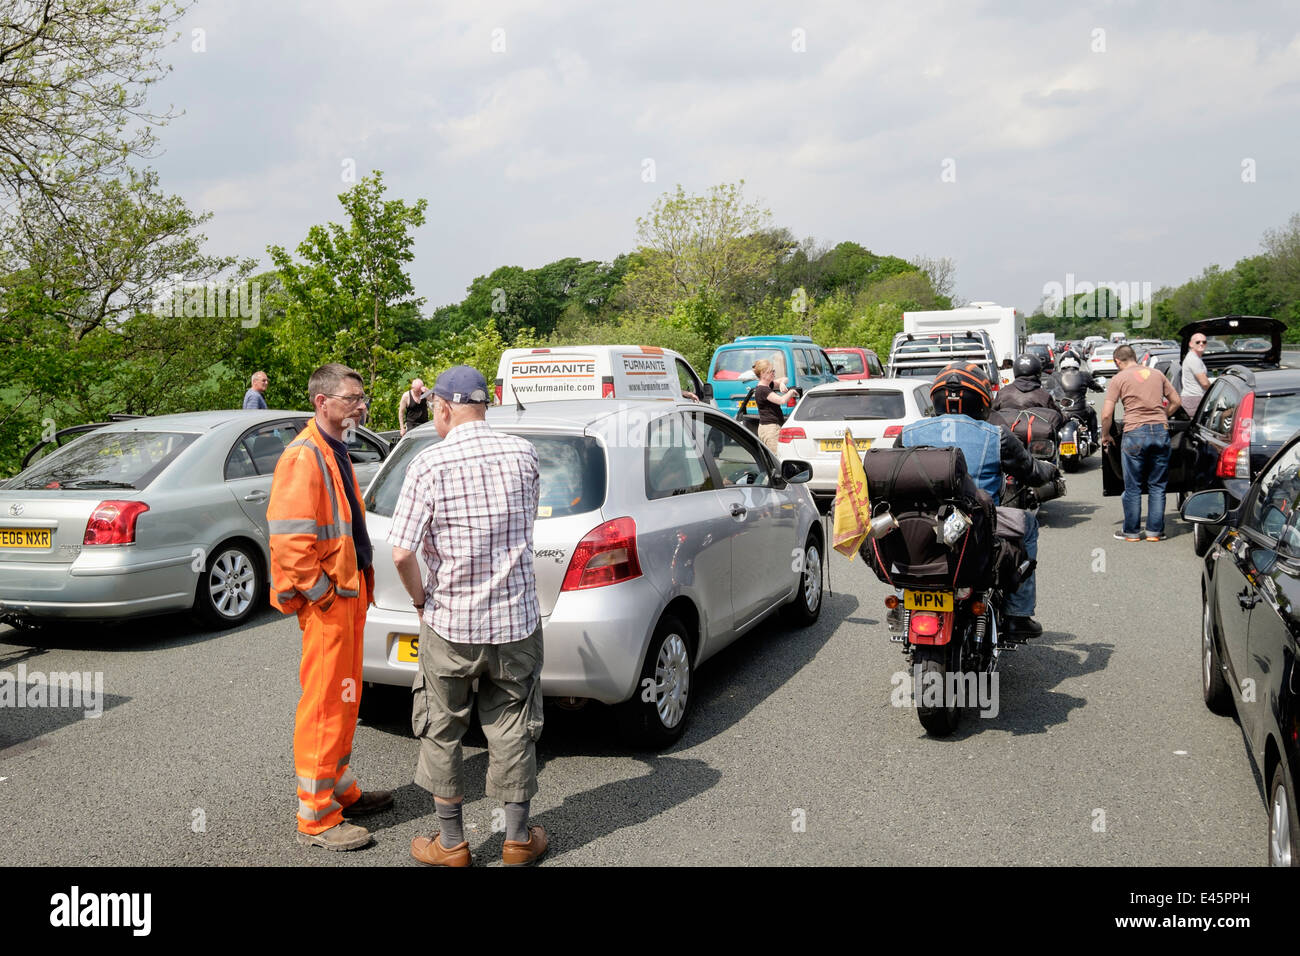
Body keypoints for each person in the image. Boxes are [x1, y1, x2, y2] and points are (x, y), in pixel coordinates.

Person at [390, 365, 548, 867]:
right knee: (513, 724)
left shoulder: (429, 463)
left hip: (451, 623)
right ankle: (518, 841)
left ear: (440, 407)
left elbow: (400, 552)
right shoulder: (523, 453)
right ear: (485, 406)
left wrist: (420, 601)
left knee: (442, 726)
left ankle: (452, 844)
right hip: (516, 622)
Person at [267, 363, 390, 851]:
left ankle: (339, 790)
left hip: (348, 595)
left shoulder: (331, 449)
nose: (361, 406)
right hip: (331, 601)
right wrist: (321, 592)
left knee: (344, 699)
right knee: (324, 704)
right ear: (322, 402)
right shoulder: (304, 456)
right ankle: (317, 815)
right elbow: (289, 541)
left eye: (362, 398)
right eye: (352, 398)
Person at [902, 361, 1060, 639]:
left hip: (919, 528)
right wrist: (1051, 468)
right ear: (982, 401)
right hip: (978, 527)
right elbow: (1032, 472)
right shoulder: (995, 435)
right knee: (1029, 525)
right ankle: (1018, 615)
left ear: (936, 399)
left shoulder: (909, 433)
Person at [1100, 345, 1182, 542]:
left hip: (1134, 433)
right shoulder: (1157, 374)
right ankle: (1154, 533)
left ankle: (1132, 532)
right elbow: (1176, 401)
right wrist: (1162, 416)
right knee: (1157, 485)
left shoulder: (1119, 378)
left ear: (1117, 361)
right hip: (1160, 433)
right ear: (1135, 357)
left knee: (1133, 486)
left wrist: (1105, 435)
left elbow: (1106, 414)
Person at [991, 353, 1064, 427]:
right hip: (1035, 437)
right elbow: (1058, 418)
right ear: (1038, 372)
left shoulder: (1003, 393)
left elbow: (991, 414)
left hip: (1007, 436)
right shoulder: (1044, 396)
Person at [752, 358, 798, 456]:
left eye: (773, 370)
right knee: (777, 458)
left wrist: (781, 384)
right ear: (763, 373)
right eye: (771, 371)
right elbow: (781, 400)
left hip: (770, 427)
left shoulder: (769, 385)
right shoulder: (763, 390)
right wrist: (790, 392)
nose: (773, 373)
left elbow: (785, 378)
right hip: (770, 429)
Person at [1056, 354, 1104, 441]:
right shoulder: (1085, 375)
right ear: (1078, 363)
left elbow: (1047, 390)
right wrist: (1100, 389)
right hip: (1081, 411)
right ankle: (1094, 439)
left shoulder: (1054, 376)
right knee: (1092, 413)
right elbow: (1095, 386)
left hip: (1060, 412)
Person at [1180, 333, 1212, 417]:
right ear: (1191, 344)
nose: (1201, 344)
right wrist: (1214, 390)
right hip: (1194, 399)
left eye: (1204, 342)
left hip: (1193, 398)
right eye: (1198, 342)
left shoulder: (1195, 358)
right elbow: (1204, 383)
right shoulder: (1193, 359)